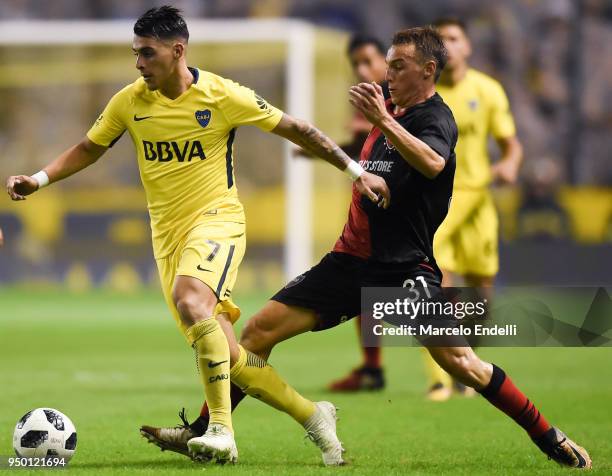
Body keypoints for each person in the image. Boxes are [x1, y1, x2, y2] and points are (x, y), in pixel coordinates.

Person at [142, 26, 591, 469]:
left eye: (398, 65)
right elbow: (366, 153)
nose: (387, 73)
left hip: (403, 269)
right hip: (347, 262)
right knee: (257, 333)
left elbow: (433, 163)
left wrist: (382, 120)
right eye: (387, 64)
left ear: (428, 70)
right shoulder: (386, 108)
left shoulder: (434, 118)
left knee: (461, 362)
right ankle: (205, 430)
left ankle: (550, 437)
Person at [5, 5, 390, 466]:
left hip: (218, 222)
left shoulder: (222, 95)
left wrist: (354, 170)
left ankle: (221, 431)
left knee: (191, 299)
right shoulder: (129, 102)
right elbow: (90, 147)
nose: (139, 63)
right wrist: (40, 179)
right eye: (135, 53)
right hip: (167, 239)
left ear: (177, 50)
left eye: (147, 53)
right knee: (230, 356)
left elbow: (298, 130)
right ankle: (314, 416)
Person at [423, 17, 524, 401]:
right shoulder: (424, 94)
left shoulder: (488, 89)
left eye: (453, 38)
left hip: (478, 196)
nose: (447, 45)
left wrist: (511, 163)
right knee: (438, 285)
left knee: (482, 293)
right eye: (440, 40)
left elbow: (510, 143)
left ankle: (469, 366)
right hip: (438, 201)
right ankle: (439, 378)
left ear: (467, 46)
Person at [326, 34, 390, 392]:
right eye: (357, 65)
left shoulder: (402, 97)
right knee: (367, 291)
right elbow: (365, 145)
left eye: (369, 60)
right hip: (374, 207)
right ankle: (372, 367)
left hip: (412, 208)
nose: (363, 70)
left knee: (438, 287)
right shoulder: (365, 99)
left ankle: (459, 369)